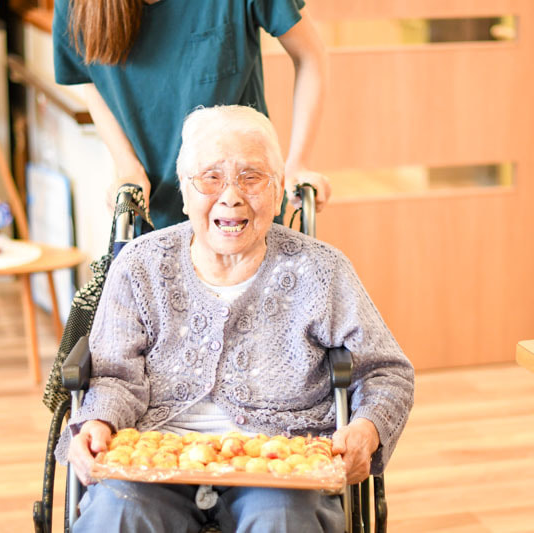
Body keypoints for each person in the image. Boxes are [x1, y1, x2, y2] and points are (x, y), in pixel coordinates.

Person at [59, 105, 414, 533]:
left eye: (252, 177)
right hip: (154, 457)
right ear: (185, 192)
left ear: (278, 190)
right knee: (117, 513)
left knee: (282, 521)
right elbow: (114, 375)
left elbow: (386, 371)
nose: (230, 196)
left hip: (281, 464)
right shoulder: (139, 264)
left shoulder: (321, 270)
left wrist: (366, 429)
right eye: (211, 177)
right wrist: (98, 420)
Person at [53, 0, 332, 230]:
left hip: (240, 212)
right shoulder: (75, 5)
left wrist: (298, 163)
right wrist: (127, 166)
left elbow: (309, 55)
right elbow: (92, 79)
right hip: (152, 209)